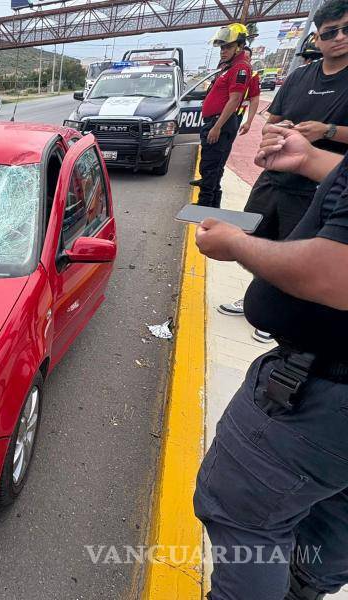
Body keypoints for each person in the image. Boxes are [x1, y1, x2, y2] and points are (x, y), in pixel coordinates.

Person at [194, 123, 348, 600]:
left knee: (247, 521)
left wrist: (237, 245)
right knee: (336, 511)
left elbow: (335, 274)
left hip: (316, 393)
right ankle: (301, 589)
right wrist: (310, 161)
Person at [217, 0, 348, 342]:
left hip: (318, 189)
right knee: (257, 238)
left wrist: (328, 131)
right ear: (317, 39)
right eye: (330, 32)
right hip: (274, 177)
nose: (339, 38)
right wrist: (276, 131)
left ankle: (275, 316)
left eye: (346, 30)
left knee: (294, 250)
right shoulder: (301, 76)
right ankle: (255, 299)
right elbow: (270, 120)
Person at [197, 23, 252, 208]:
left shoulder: (240, 68)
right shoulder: (228, 67)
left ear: (240, 46)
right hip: (215, 122)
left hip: (220, 124)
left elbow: (234, 99)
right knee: (211, 166)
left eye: (227, 47)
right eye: (222, 47)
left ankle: (204, 206)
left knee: (211, 167)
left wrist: (217, 127)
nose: (223, 51)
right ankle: (211, 206)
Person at [237, 46, 261, 136]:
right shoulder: (229, 71)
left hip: (236, 114)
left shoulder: (252, 76)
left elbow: (254, 100)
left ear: (250, 60)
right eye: (241, 58)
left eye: (246, 58)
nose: (243, 61)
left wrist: (248, 122)